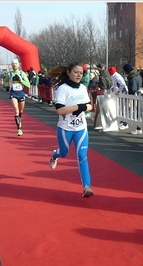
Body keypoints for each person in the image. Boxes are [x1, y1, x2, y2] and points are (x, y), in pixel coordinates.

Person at [47, 62, 94, 198]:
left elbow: (89, 106)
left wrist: (85, 107)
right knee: (64, 153)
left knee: (82, 156)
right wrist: (78, 107)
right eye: (76, 72)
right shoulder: (63, 89)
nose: (79, 75)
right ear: (68, 72)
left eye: (81, 73)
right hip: (65, 128)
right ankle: (54, 155)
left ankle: (86, 187)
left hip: (81, 128)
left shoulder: (83, 88)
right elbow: (59, 110)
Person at [4, 59, 31, 136]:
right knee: (16, 110)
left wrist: (21, 80)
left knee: (20, 111)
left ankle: (19, 118)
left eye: (15, 63)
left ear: (18, 65)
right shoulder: (9, 74)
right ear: (11, 65)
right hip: (13, 94)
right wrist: (6, 86)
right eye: (13, 64)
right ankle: (19, 129)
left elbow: (28, 85)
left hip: (21, 94)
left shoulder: (22, 74)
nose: (14, 65)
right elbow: (5, 80)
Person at [122, 63, 143, 134]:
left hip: (135, 96)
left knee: (137, 112)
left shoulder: (132, 78)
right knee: (138, 112)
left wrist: (130, 98)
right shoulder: (137, 75)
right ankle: (139, 128)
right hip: (139, 96)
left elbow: (133, 89)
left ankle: (139, 128)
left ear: (126, 71)